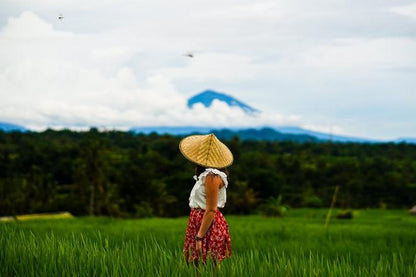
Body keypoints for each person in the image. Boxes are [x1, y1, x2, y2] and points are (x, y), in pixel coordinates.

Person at [179, 133, 233, 265]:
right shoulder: (206, 175)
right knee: (196, 265)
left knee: (206, 265)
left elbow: (210, 210)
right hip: (198, 222)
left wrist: (199, 237)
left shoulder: (212, 176)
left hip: (207, 224)